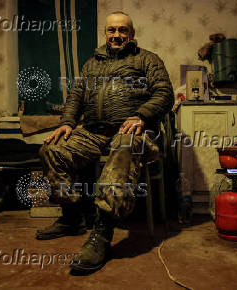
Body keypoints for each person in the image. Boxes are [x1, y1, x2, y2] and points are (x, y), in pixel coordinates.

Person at [36, 11, 174, 273]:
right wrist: (66, 122)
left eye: (123, 30)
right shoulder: (91, 64)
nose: (117, 35)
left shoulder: (147, 60)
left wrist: (141, 115)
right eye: (112, 30)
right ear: (105, 33)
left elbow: (165, 94)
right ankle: (71, 217)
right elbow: (76, 96)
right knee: (51, 150)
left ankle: (102, 231)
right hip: (93, 132)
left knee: (123, 147)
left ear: (132, 34)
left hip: (133, 132)